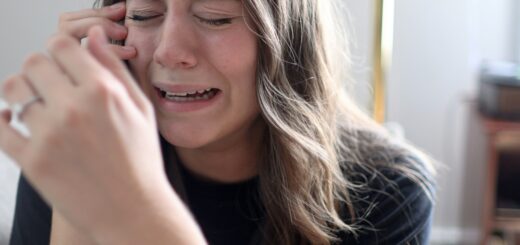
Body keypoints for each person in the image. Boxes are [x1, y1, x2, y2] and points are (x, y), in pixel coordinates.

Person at [2, 0, 436, 244]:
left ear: (287, 45)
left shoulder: (389, 191)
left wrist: (138, 216)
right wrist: (84, 177)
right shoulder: (71, 156)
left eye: (214, 16)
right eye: (144, 15)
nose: (171, 52)